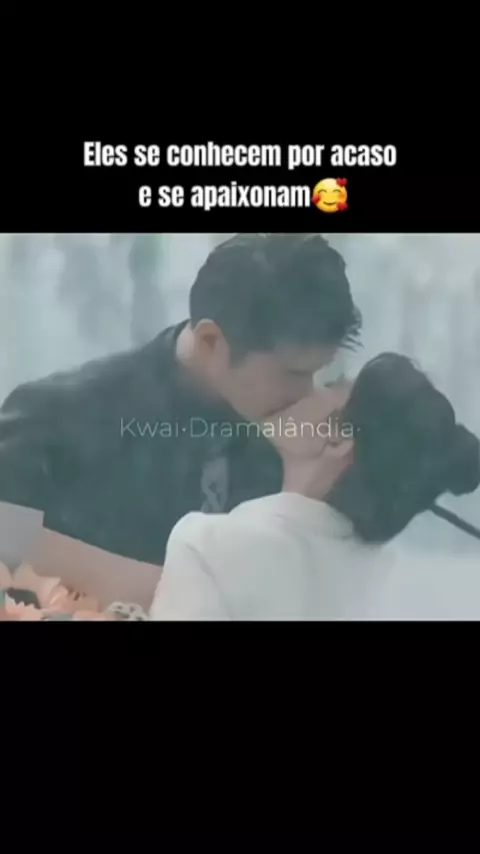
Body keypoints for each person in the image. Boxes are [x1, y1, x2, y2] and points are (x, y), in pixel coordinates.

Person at [0, 233, 361, 566]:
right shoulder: (63, 416)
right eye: (293, 374)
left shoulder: (297, 443)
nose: (307, 394)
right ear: (210, 341)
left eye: (318, 373)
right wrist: (138, 584)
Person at [150, 353, 480, 620]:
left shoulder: (207, 547)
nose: (298, 390)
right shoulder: (407, 587)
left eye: (327, 384)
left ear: (337, 437)